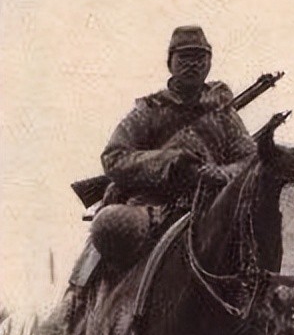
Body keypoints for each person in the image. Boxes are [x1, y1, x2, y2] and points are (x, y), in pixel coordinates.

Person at [87, 25, 256, 269]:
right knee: (112, 226)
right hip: (151, 207)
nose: (193, 64)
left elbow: (251, 161)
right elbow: (113, 158)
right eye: (184, 57)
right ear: (170, 63)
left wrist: (222, 173)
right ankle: (85, 290)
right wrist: (169, 161)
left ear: (209, 62)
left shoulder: (223, 114)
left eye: (200, 57)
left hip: (211, 207)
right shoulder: (149, 110)